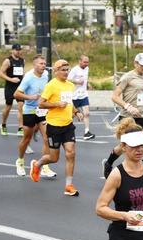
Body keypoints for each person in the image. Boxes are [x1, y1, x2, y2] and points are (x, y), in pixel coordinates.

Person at [29, 59, 83, 196]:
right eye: (63, 70)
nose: (66, 72)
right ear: (56, 71)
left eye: (67, 70)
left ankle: (69, 186)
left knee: (71, 154)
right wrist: (56, 104)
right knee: (54, 158)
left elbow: (69, 103)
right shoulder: (51, 85)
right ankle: (37, 164)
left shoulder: (70, 85)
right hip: (54, 126)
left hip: (68, 125)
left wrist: (76, 112)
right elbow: (41, 104)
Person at [105, 52, 143, 178]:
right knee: (125, 147)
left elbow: (142, 95)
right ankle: (109, 162)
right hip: (128, 117)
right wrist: (128, 106)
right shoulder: (127, 77)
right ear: (135, 63)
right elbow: (115, 97)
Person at [13, 54, 54, 178]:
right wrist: (30, 97)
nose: (43, 66)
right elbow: (17, 94)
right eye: (41, 64)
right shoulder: (28, 78)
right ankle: (20, 161)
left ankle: (45, 167)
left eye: (44, 63)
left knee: (47, 138)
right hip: (29, 110)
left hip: (42, 110)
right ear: (35, 65)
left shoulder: (46, 75)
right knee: (26, 139)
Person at [0, 44, 25, 136]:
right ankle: (3, 124)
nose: (18, 51)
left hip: (19, 87)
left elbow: (22, 73)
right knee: (8, 107)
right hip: (10, 87)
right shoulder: (8, 61)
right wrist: (11, 79)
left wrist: (24, 82)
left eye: (19, 50)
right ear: (12, 50)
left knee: (21, 106)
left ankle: (21, 128)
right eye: (16, 50)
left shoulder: (22, 60)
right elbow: (1, 73)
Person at [68, 54, 95, 140]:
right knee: (71, 115)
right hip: (74, 95)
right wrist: (77, 82)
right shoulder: (74, 70)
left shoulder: (87, 68)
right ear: (80, 61)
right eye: (84, 62)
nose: (86, 64)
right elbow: (68, 79)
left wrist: (89, 84)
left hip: (83, 95)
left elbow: (85, 79)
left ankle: (87, 132)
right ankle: (67, 130)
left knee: (86, 113)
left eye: (87, 62)